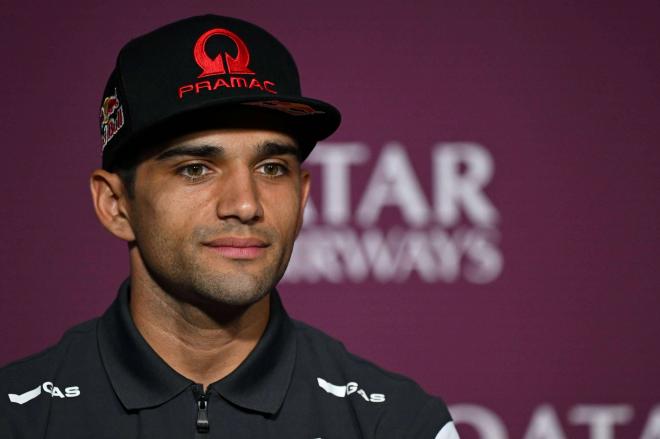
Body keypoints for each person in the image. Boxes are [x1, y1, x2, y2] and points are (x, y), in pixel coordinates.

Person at [0, 14, 459, 438]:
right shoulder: (20, 417)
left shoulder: (396, 423)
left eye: (272, 168)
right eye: (196, 168)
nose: (245, 204)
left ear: (302, 198)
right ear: (116, 205)